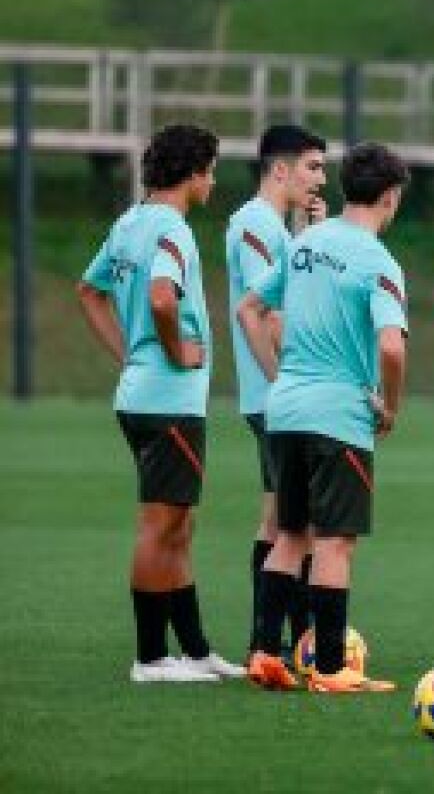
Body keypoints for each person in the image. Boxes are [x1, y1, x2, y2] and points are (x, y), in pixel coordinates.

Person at [241, 142, 410, 694]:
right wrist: (392, 404)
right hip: (338, 415)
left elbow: (250, 308)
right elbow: (391, 347)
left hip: (286, 408)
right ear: (390, 196)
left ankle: (266, 653)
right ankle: (331, 668)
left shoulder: (303, 244)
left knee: (291, 535)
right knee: (335, 542)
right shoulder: (379, 261)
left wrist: (278, 375)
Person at [77, 123, 243, 684]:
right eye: (212, 169)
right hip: (168, 398)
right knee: (159, 524)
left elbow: (89, 291)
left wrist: (131, 354)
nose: (213, 180)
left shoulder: (130, 222)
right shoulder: (172, 229)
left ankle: (193, 648)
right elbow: (160, 298)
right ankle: (151, 657)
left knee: (180, 524)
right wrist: (173, 351)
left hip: (142, 394)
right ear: (194, 173)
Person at [225, 124, 328, 657]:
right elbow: (263, 315)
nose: (321, 179)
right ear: (281, 169)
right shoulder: (254, 224)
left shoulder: (279, 228)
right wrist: (284, 380)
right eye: (313, 167)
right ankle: (286, 640)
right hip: (277, 397)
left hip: (278, 395)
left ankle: (275, 642)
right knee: (295, 524)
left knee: (281, 518)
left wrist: (312, 235)